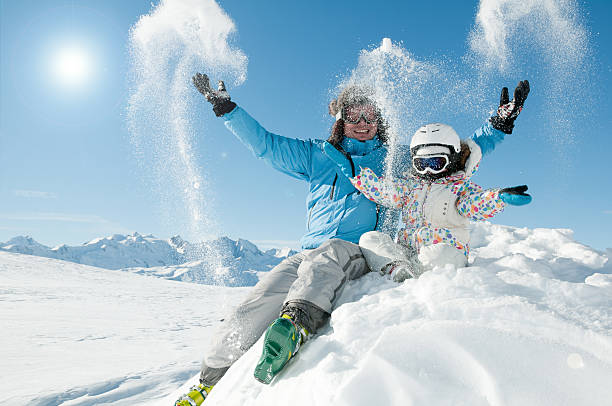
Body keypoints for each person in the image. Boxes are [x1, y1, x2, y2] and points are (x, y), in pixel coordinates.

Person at [174, 73, 528, 405]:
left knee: (329, 255)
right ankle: (207, 383)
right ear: (340, 118)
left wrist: (497, 126)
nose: (362, 122)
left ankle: (297, 323)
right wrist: (227, 109)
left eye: (370, 114)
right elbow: (266, 145)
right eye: (353, 114)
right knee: (250, 310)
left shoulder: (396, 158)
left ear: (380, 119)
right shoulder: (317, 154)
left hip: (362, 251)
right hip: (307, 255)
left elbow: (451, 154)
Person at [324, 121, 532, 281]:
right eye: (421, 164)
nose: (428, 170)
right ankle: (397, 268)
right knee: (370, 238)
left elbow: (476, 203)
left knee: (439, 254)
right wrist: (355, 174)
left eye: (436, 163)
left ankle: (422, 277)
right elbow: (383, 192)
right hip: (408, 252)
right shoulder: (409, 185)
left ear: (452, 158)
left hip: (445, 252)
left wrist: (498, 198)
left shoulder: (459, 188)